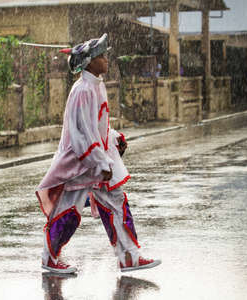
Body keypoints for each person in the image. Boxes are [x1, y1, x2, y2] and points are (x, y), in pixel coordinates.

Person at [36, 33, 161, 274]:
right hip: (80, 164)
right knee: (68, 212)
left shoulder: (96, 86)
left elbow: (98, 126)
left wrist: (113, 139)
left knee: (116, 204)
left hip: (96, 163)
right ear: (89, 62)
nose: (106, 59)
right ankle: (49, 258)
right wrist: (100, 162)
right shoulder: (83, 90)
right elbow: (82, 134)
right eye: (101, 56)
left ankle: (129, 258)